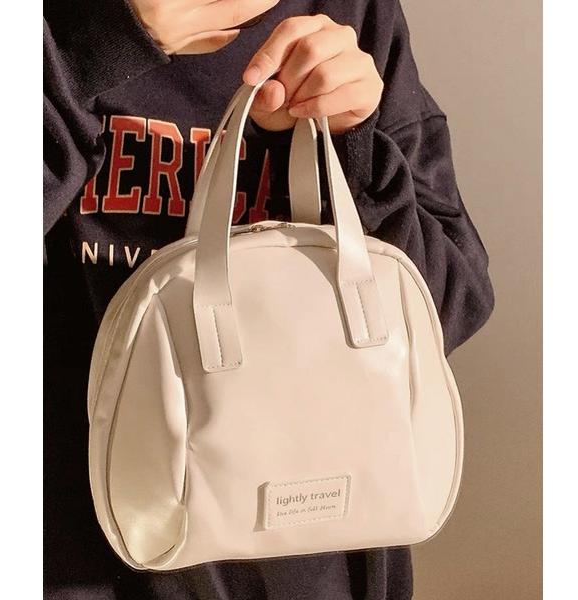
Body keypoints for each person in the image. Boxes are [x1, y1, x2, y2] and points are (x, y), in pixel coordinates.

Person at [43, 0, 495, 598]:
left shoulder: (352, 13)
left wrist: (352, 147)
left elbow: (448, 307)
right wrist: (86, 57)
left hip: (320, 563)